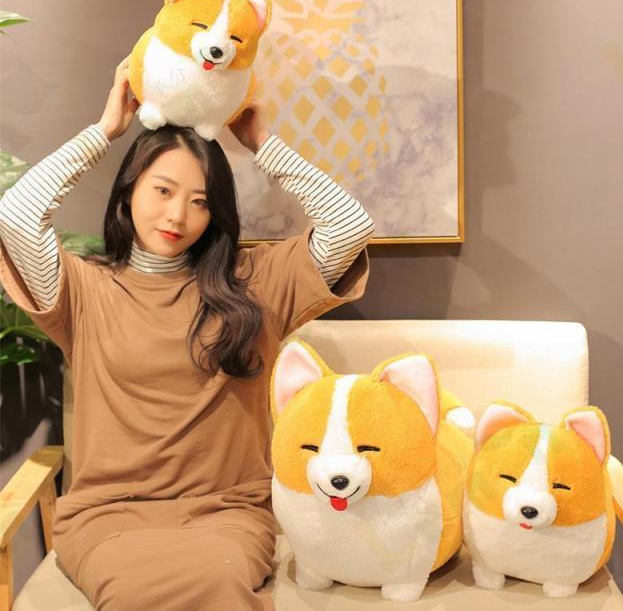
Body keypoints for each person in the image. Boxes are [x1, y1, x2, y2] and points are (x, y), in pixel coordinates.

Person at [0, 56, 373, 610]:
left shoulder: (254, 284)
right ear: (128, 192)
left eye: (200, 202)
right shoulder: (83, 289)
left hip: (227, 513)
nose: (178, 215)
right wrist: (104, 131)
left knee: (217, 585)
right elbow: (16, 216)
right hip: (109, 514)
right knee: (132, 594)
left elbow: (349, 227)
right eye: (163, 190)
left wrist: (262, 143)